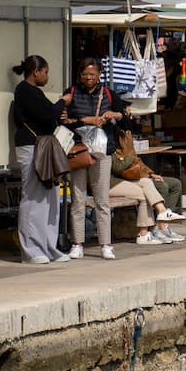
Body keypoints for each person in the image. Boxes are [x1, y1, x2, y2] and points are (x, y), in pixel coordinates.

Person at [12, 55, 72, 264]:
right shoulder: (24, 91)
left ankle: (48, 246)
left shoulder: (32, 92)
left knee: (50, 197)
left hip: (41, 148)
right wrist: (62, 102)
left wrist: (59, 109)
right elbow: (47, 116)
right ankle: (31, 249)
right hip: (32, 147)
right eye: (45, 72)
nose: (47, 76)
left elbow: (49, 115)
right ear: (36, 72)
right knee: (33, 197)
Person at [65, 57, 126, 260]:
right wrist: (86, 120)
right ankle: (77, 243)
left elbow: (124, 115)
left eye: (92, 74)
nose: (88, 78)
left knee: (102, 200)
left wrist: (113, 115)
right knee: (77, 198)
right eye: (85, 75)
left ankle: (105, 244)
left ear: (100, 74)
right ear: (79, 76)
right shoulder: (72, 92)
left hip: (102, 151)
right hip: (79, 150)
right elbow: (64, 120)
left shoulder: (108, 93)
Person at [108, 153, 186, 246]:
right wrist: (132, 157)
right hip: (111, 183)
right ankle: (144, 234)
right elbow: (117, 167)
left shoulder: (122, 147)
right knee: (147, 192)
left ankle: (162, 213)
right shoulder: (109, 146)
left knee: (147, 182)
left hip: (125, 178)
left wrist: (149, 173)